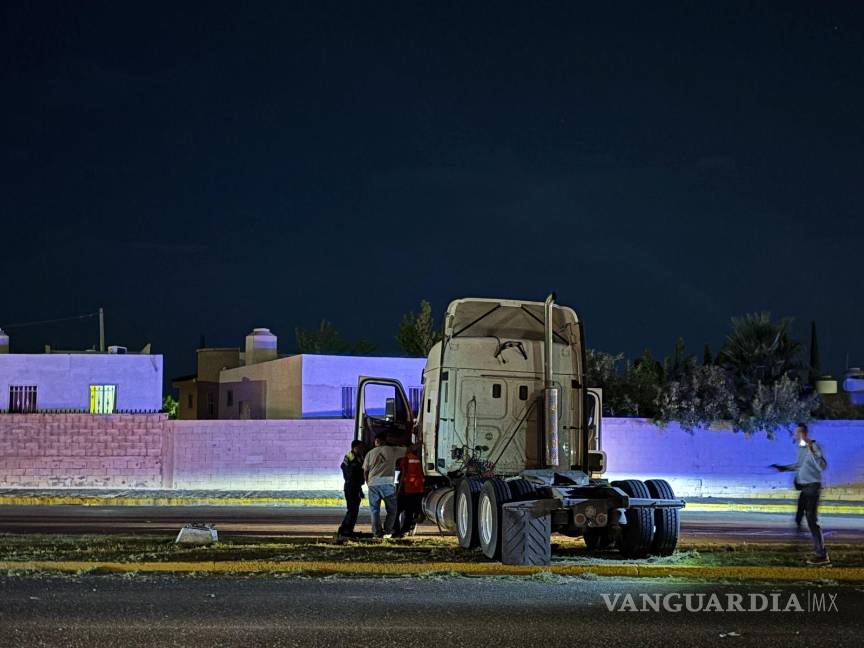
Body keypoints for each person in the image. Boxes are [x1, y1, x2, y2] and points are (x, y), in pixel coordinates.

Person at [771, 423, 829, 565]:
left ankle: (822, 555)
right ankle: (798, 544)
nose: (795, 435)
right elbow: (800, 465)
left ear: (804, 433)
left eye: (798, 433)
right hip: (804, 489)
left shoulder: (814, 446)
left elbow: (822, 466)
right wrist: (784, 468)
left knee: (811, 520)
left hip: (813, 488)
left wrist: (811, 449)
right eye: (795, 433)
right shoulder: (801, 448)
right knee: (798, 518)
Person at [362, 433, 406, 538]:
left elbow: (365, 470)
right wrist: (420, 443)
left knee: (374, 510)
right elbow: (408, 450)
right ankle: (387, 530)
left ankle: (377, 533)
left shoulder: (370, 453)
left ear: (376, 441)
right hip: (387, 484)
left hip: (373, 484)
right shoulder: (392, 450)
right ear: (384, 441)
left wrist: (368, 482)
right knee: (392, 510)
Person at [336, 440, 366, 539]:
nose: (362, 449)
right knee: (352, 509)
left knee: (354, 509)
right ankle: (345, 530)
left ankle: (347, 529)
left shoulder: (359, 457)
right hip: (351, 486)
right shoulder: (350, 456)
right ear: (354, 448)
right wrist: (350, 479)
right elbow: (344, 468)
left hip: (356, 486)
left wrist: (360, 490)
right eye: (360, 448)